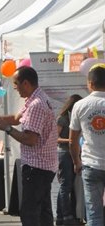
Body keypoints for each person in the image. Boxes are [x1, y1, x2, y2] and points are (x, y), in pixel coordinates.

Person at [0, 66, 58, 226]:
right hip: (44, 166)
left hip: (37, 166)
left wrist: (7, 129)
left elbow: (30, 139)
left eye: (16, 84)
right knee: (42, 211)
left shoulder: (36, 105)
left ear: (26, 83)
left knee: (30, 213)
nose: (14, 88)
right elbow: (15, 118)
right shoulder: (36, 99)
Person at [70, 65, 105, 226]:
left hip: (91, 165)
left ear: (90, 83)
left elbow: (73, 139)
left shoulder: (80, 105)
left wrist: (76, 162)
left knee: (94, 215)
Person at [56, 94, 83, 226]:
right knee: (65, 186)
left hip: (73, 153)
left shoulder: (76, 119)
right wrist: (71, 140)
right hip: (64, 153)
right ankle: (66, 217)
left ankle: (64, 217)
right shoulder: (62, 119)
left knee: (70, 187)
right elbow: (55, 138)